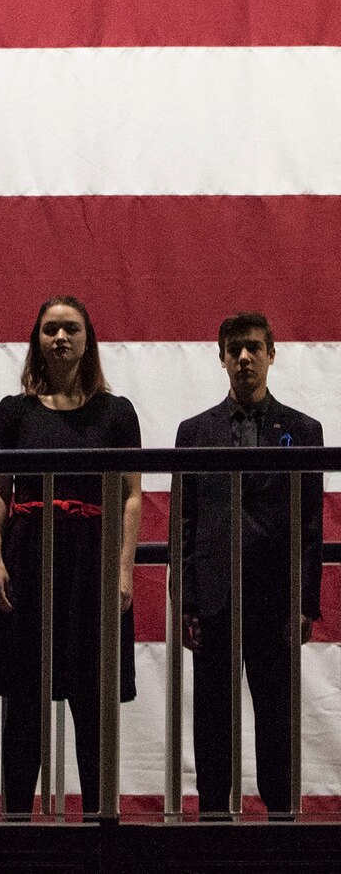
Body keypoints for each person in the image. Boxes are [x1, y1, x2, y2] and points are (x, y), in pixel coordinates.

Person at [0, 296, 142, 818]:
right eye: (50, 329)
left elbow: (131, 494)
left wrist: (122, 569)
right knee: (23, 706)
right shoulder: (12, 411)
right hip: (26, 562)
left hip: (90, 564)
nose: (60, 338)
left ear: (87, 340)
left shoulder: (117, 413)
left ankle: (101, 826)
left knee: (93, 704)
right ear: (37, 341)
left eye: (71, 328)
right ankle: (17, 825)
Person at [177, 311, 322, 817]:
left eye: (254, 348)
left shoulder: (304, 430)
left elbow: (310, 525)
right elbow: (185, 525)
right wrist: (186, 601)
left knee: (277, 719)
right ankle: (215, 818)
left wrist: (305, 601)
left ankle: (282, 822)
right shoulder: (193, 433)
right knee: (212, 719)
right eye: (235, 348)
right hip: (214, 599)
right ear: (221, 357)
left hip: (275, 600)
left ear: (271, 354)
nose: (244, 357)